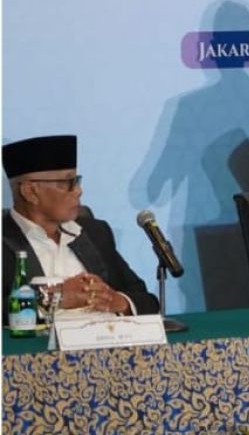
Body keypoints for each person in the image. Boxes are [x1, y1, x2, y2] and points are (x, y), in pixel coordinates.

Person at [2, 135, 159, 317]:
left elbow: (146, 300)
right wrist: (54, 298)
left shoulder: (95, 233)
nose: (78, 191)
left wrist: (116, 301)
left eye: (77, 181)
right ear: (30, 192)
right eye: (67, 183)